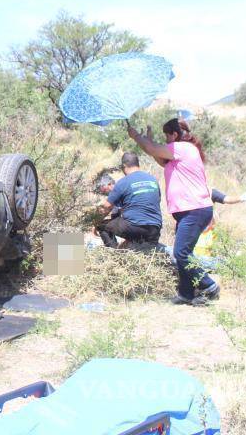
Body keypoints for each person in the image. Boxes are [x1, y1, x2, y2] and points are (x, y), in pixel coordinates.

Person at [127, 118, 219, 305]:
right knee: (184, 252)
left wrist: (136, 136)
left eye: (167, 136)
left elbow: (154, 149)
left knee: (181, 253)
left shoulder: (183, 148)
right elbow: (158, 156)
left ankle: (209, 285)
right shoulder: (179, 153)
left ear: (175, 135)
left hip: (195, 210)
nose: (166, 140)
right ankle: (186, 294)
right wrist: (148, 141)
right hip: (189, 211)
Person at [94, 152, 162, 248]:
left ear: (124, 166)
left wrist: (95, 222)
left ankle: (113, 253)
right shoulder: (153, 180)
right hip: (155, 230)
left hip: (135, 228)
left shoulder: (123, 182)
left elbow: (106, 208)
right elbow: (156, 201)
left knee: (101, 225)